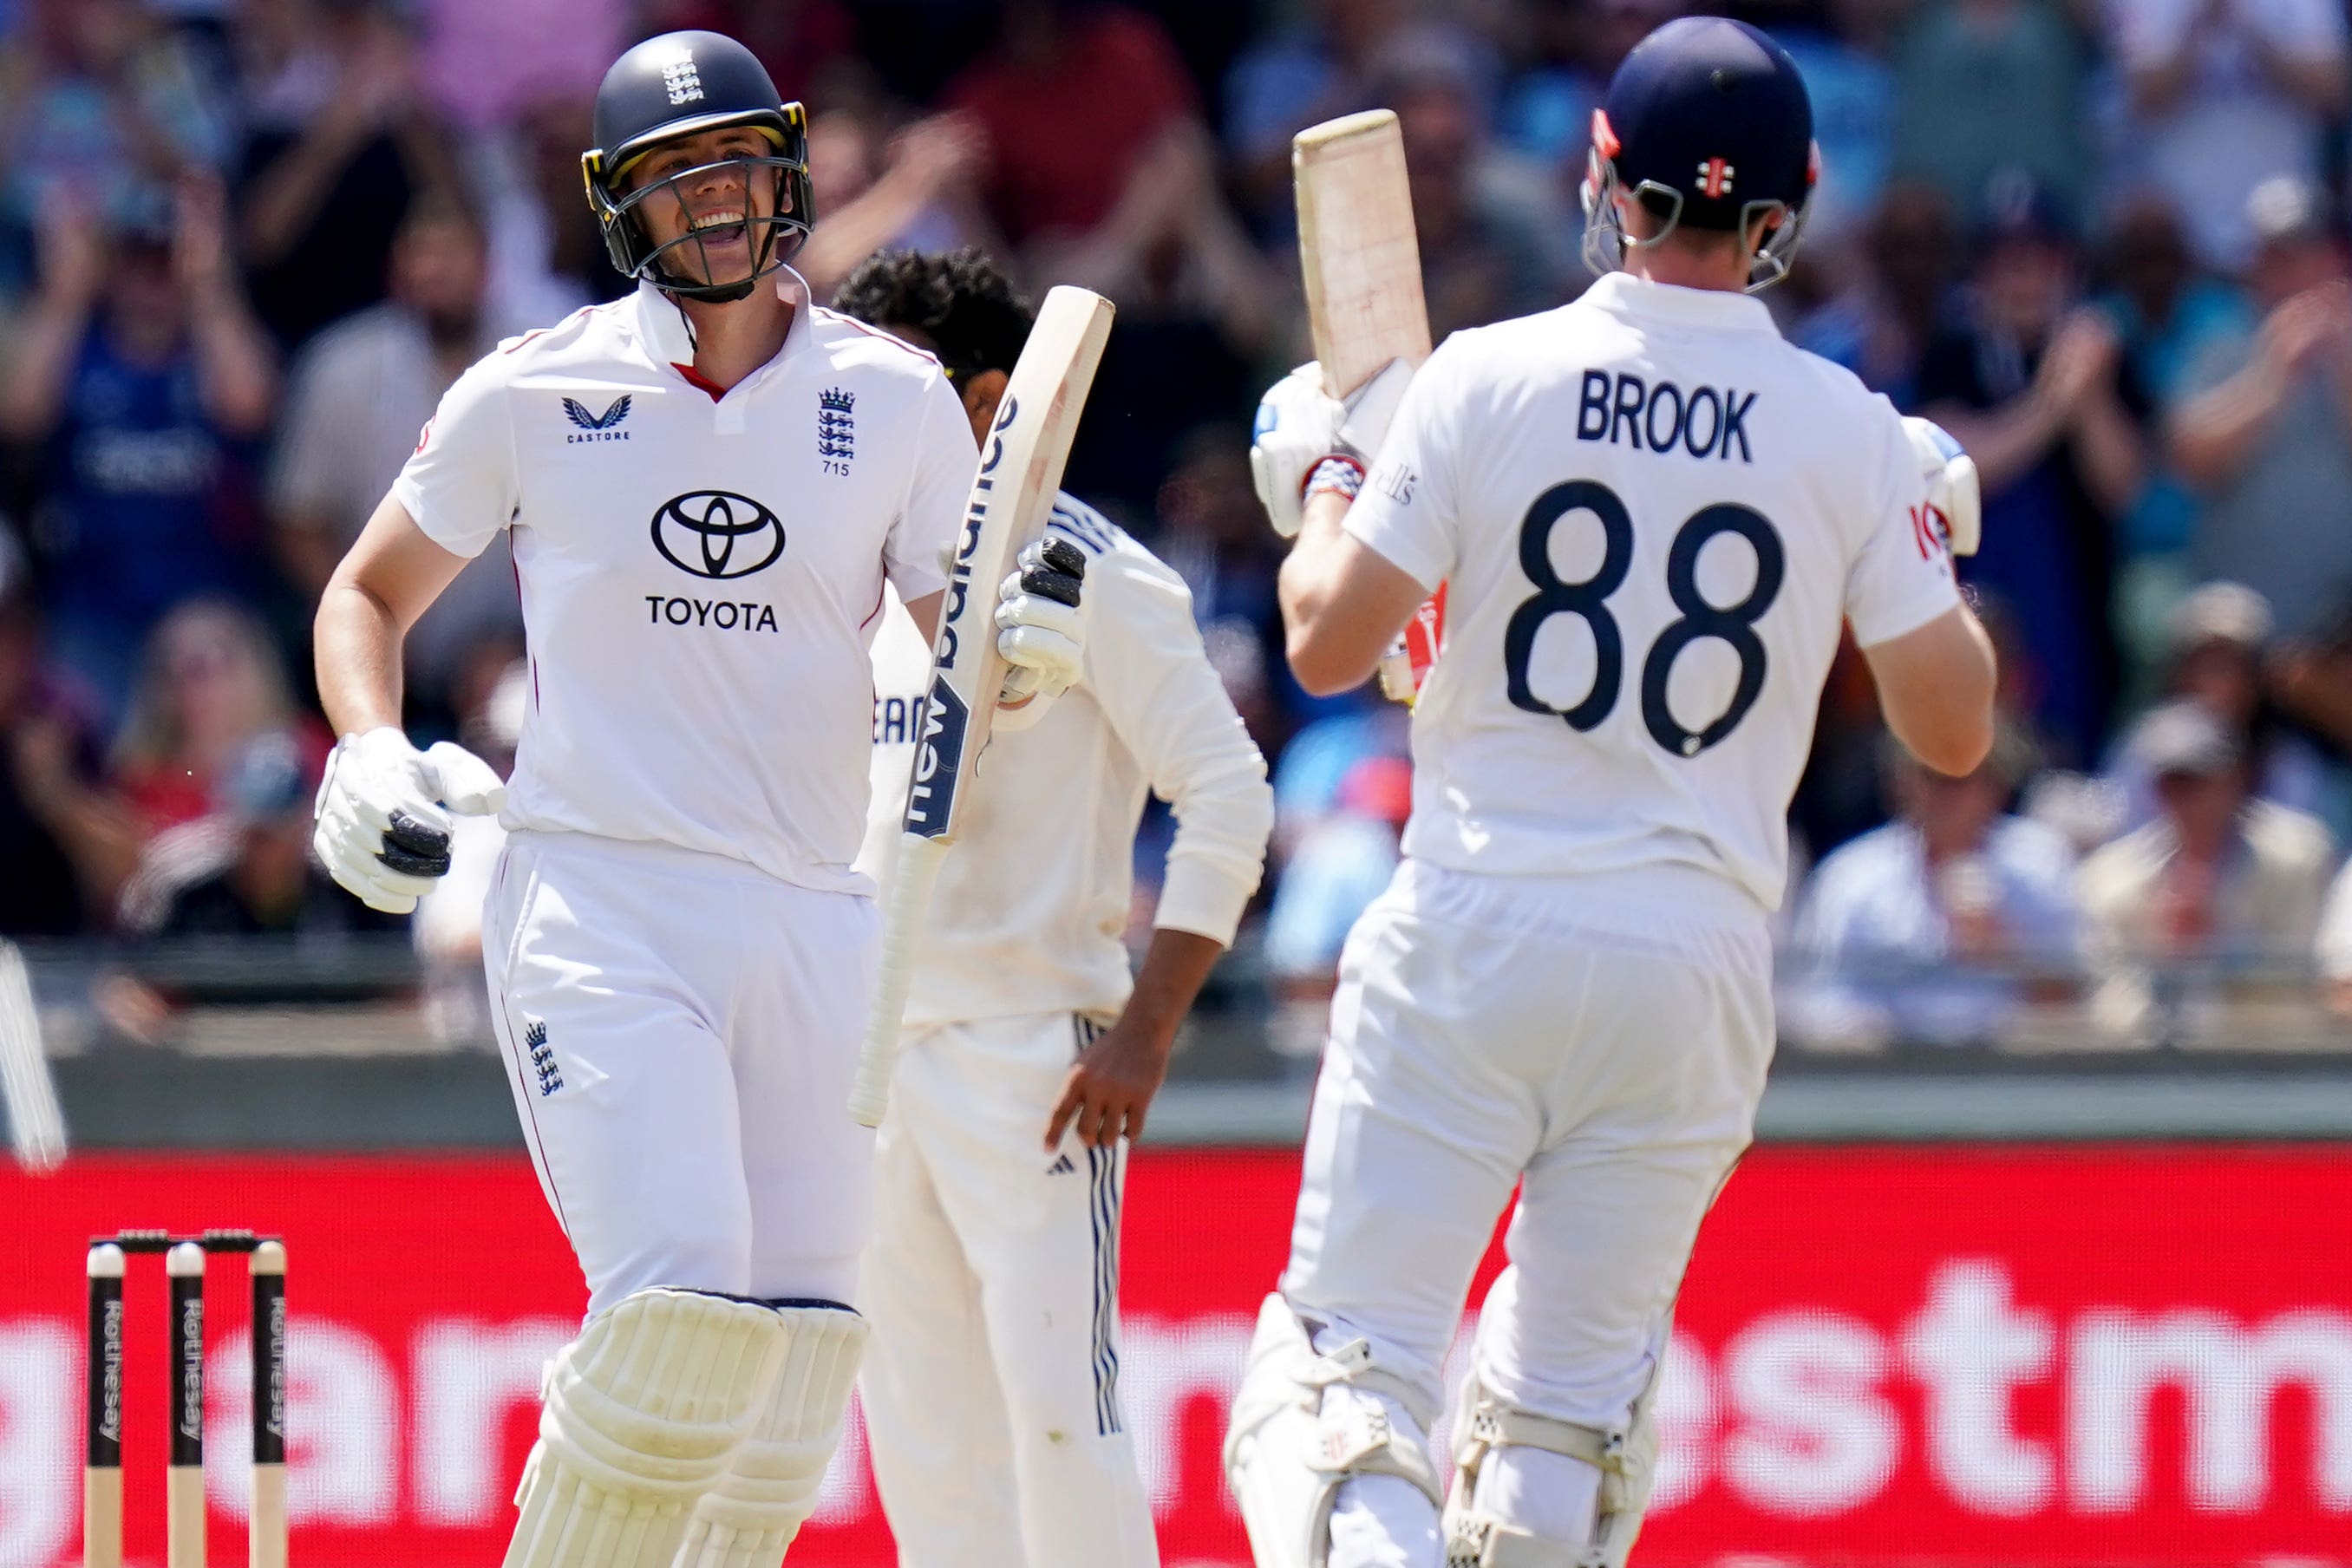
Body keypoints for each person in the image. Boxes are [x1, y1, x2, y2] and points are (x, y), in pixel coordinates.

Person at [304, 33, 1091, 1568]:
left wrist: (1024, 655)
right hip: (607, 898)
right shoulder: (534, 391)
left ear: (786, 171)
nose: (714, 203)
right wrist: (367, 744)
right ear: (619, 210)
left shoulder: (898, 398)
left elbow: (966, 674)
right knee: (677, 1316)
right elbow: (363, 596)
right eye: (674, 180)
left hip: (814, 910)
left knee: (794, 1368)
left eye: (734, 164)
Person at [1225, 20, 1998, 1568]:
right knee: (1558, 1440)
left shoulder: (1481, 379)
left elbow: (1324, 642)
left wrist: (1327, 474)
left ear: (1597, 167)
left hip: (1479, 920)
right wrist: (1918, 535)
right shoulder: (1845, 431)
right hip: (1696, 961)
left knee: (1341, 1379)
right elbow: (1955, 728)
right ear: (1796, 206)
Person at [836, 247, 1274, 1568]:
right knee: (920, 1433)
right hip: (862, 1054)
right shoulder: (847, 572)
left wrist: (1142, 1030)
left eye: (889, 377)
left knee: (1057, 1421)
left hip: (1033, 1055)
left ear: (987, 402)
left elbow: (1231, 797)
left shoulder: (1097, 576)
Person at [269, 193, 522, 717]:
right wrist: (372, 617)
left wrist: (529, 640)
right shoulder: (342, 366)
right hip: (379, 651)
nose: (437, 269)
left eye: (452, 253)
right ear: (397, 267)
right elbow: (298, 521)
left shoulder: (538, 362)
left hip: (517, 657)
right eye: (421, 253)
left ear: (486, 264)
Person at [1786, 730, 2077, 1049]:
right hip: (1888, 1074)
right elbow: (1819, 994)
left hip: (2014, 1071)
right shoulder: (1852, 877)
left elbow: (2072, 996)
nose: (1943, 796)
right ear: (1901, 785)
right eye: (1927, 776)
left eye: (1959, 780)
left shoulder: (2041, 863)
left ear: (1994, 787)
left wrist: (2002, 948)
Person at [2079, 700, 2338, 1043]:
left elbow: (2305, 990)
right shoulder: (2111, 877)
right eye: (2169, 782)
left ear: (2237, 777)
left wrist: (2219, 942)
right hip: (2152, 1079)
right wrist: (2166, 958)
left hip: (2274, 1071)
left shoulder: (2301, 859)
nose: (2182, 796)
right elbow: (2106, 1012)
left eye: (2197, 780)